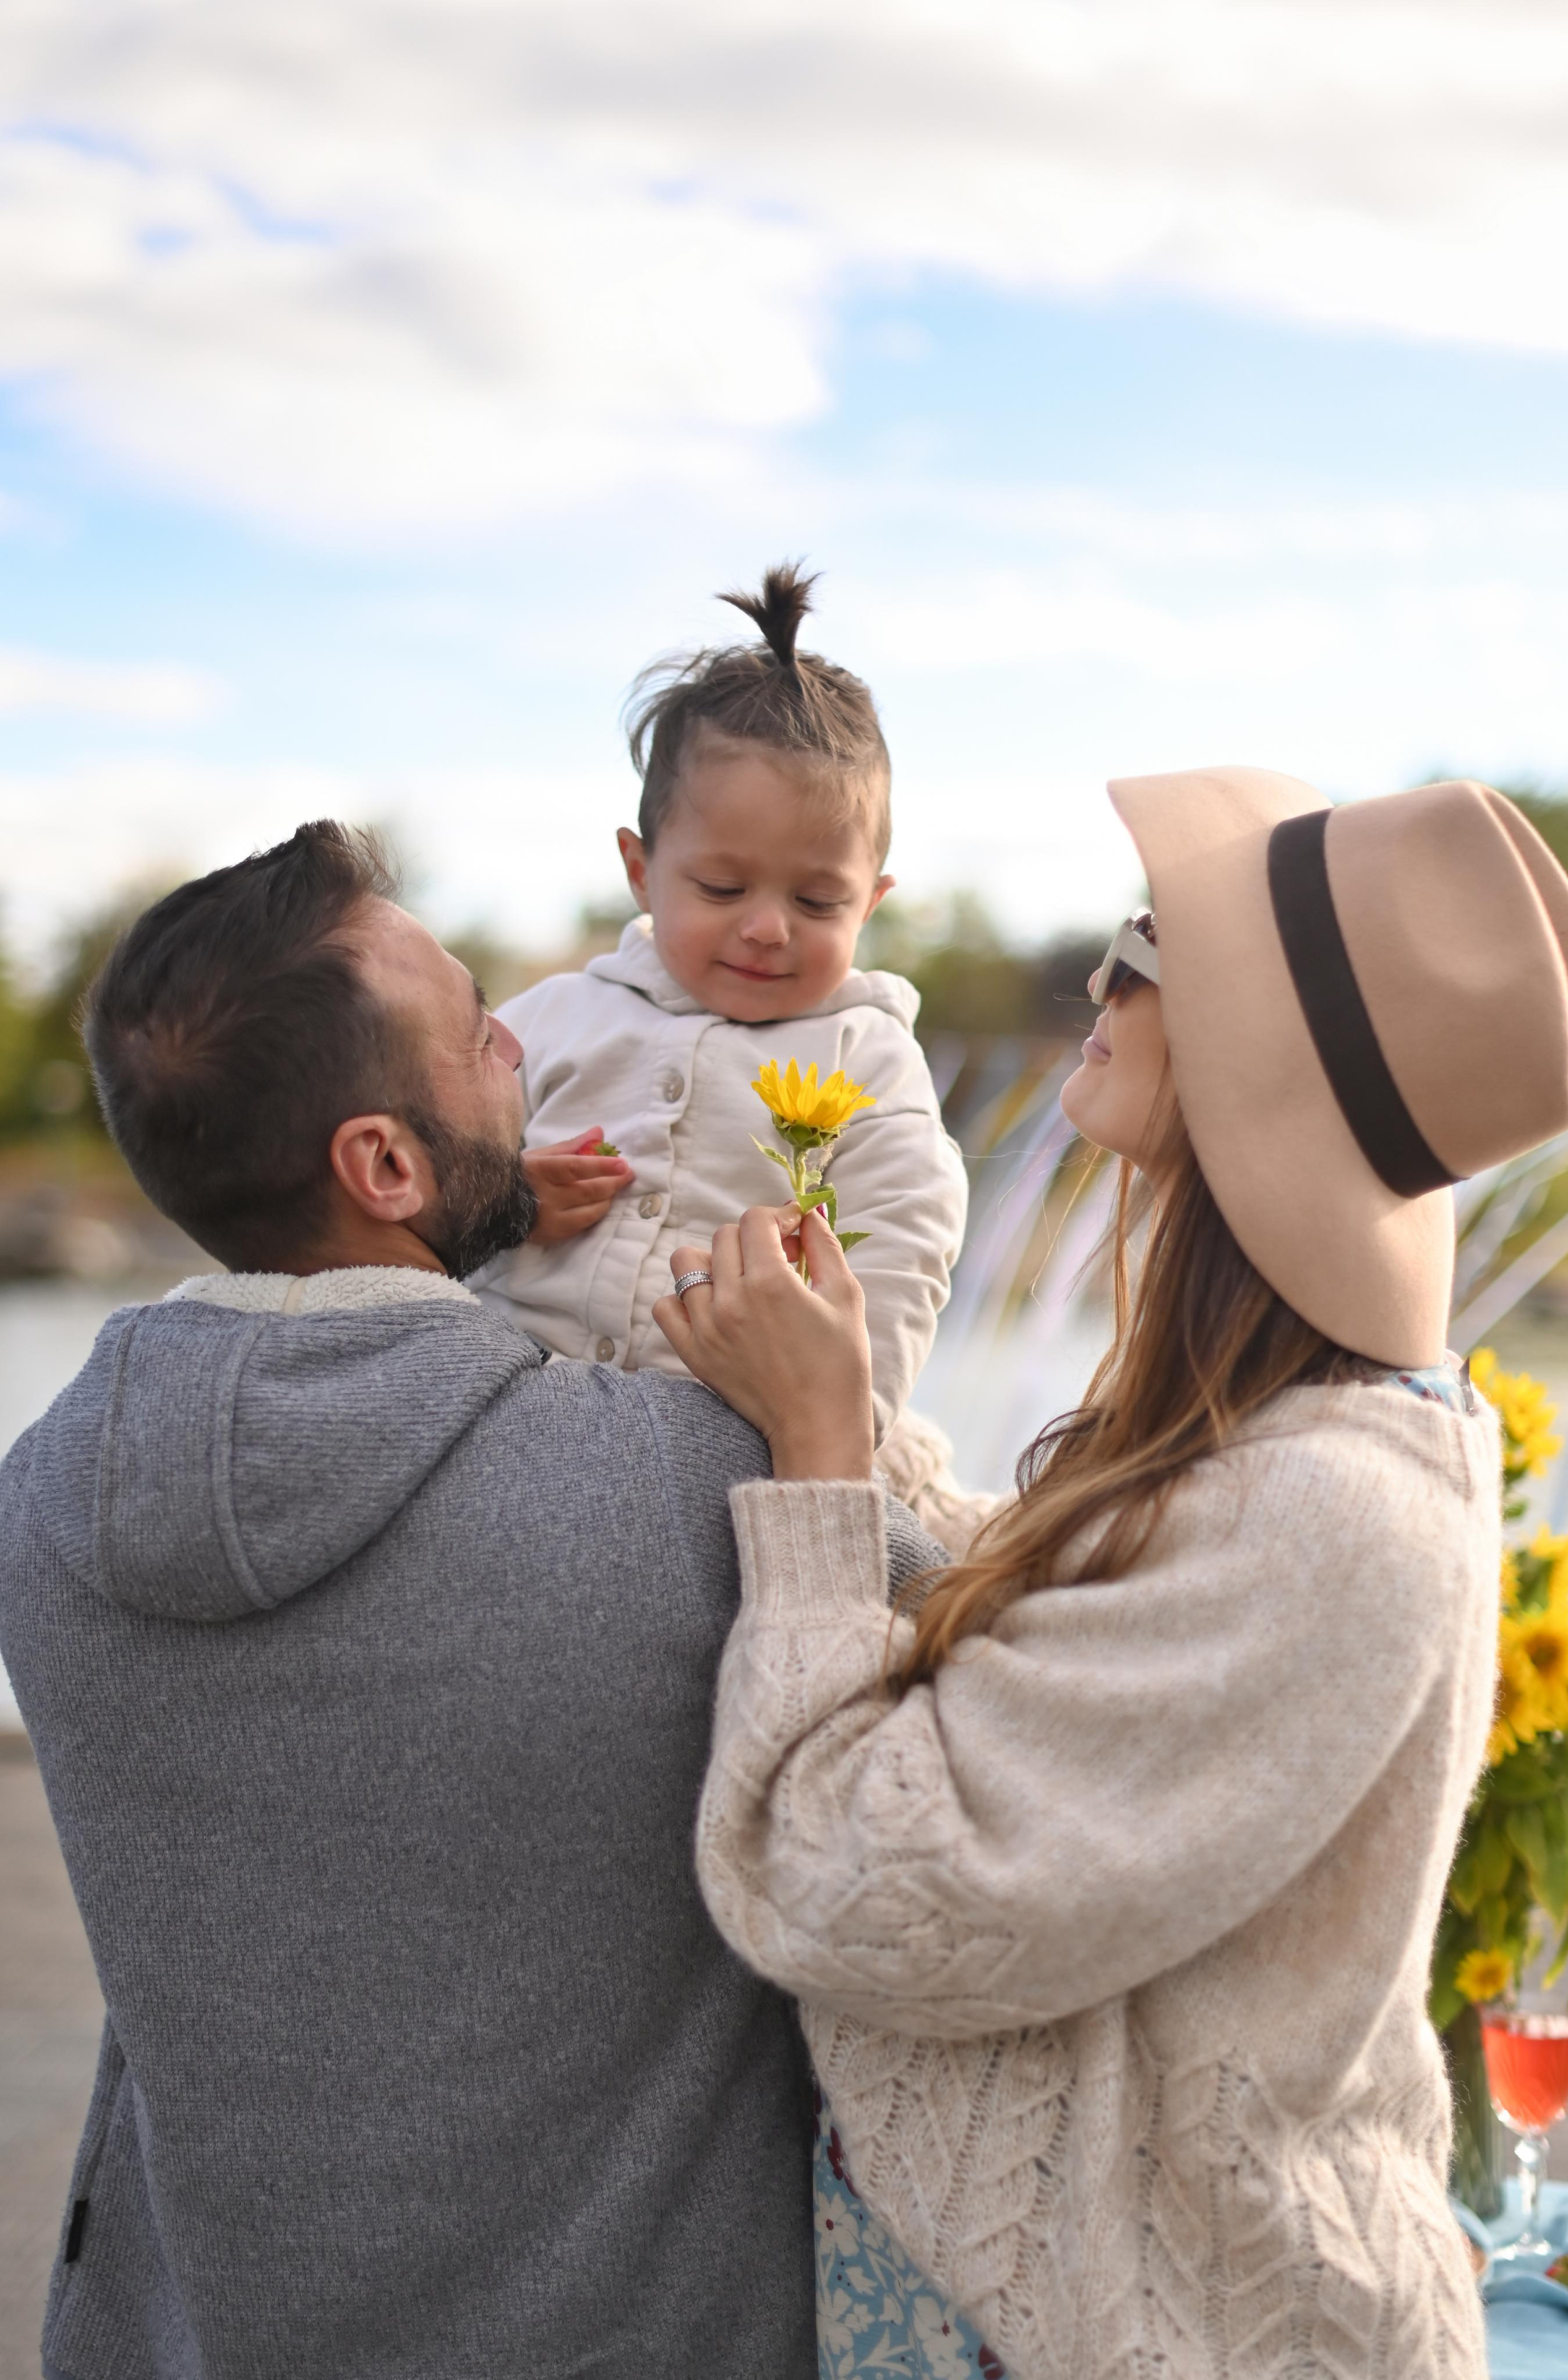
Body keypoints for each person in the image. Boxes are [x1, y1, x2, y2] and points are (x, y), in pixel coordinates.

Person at [651, 768, 1568, 2380]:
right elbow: (1061, 1674)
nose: (1103, 979)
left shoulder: (1328, 1520)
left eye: (1154, 948)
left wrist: (815, 1456)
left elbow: (849, 1885)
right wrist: (852, 1420)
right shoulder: (1280, 1449)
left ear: (1254, 1053)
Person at [0, 819, 939, 2380]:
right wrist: (827, 1438)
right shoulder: (692, 1490)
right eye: (474, 1033)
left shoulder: (39, 1507)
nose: (526, 1040)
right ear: (383, 1164)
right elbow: (978, 1716)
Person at [470, 564, 977, 1539]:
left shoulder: (867, 1056)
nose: (767, 930)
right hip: (513, 1439)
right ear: (640, 870)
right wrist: (500, 1203)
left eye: (818, 902)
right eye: (721, 888)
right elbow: (425, 1184)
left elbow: (909, 1235)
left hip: (731, 1458)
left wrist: (837, 1432)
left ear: (872, 902)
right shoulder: (554, 1018)